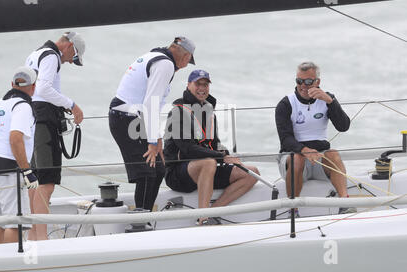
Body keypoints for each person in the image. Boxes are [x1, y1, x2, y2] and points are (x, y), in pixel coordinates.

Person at [109, 37, 195, 213]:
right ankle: (139, 223)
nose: (185, 66)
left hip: (128, 116)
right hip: (126, 117)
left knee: (158, 170)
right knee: (148, 172)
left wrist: (156, 137)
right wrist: (153, 141)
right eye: (188, 61)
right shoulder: (166, 65)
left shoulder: (155, 55)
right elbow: (151, 103)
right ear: (185, 56)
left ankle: (143, 217)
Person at [164, 69, 259, 225]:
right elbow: (187, 148)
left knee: (252, 172)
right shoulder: (178, 112)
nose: (202, 88)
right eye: (198, 84)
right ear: (188, 85)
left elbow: (213, 144)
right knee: (209, 162)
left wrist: (226, 154)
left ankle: (214, 212)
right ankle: (203, 218)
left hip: (207, 167)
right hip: (178, 173)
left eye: (205, 84)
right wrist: (220, 156)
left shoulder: (209, 113)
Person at [25, 31, 85, 240]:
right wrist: (72, 105)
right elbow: (43, 88)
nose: (70, 61)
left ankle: (34, 234)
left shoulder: (35, 53)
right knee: (47, 181)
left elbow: (34, 88)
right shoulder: (51, 56)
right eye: (74, 57)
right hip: (43, 119)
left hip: (31, 116)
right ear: (69, 46)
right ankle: (42, 238)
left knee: (35, 178)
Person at [275, 61, 356, 216]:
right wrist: (304, 150)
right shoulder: (286, 104)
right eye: (299, 81)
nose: (303, 86)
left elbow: (344, 126)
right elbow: (285, 140)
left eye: (308, 81)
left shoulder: (327, 100)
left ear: (317, 82)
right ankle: (293, 210)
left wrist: (331, 102)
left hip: (319, 158)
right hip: (294, 158)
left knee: (333, 154)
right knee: (297, 158)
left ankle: (345, 204)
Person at [0, 66, 39, 244]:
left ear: (12, 84)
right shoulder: (23, 107)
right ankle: (10, 266)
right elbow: (15, 138)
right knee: (15, 223)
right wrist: (27, 171)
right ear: (33, 87)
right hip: (9, 169)